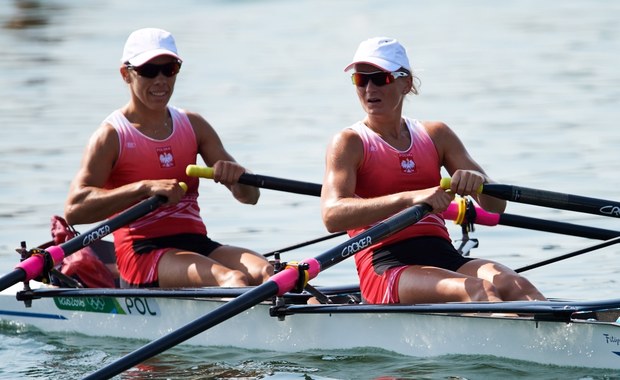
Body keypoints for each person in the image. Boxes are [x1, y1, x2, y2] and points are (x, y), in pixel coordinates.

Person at [320, 37, 546, 304]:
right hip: (386, 266)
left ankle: (572, 331)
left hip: (443, 254)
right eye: (361, 79)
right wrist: (410, 198)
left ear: (406, 83)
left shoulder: (436, 135)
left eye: (380, 78)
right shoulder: (350, 142)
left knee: (515, 284)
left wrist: (479, 182)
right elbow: (331, 216)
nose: (369, 88)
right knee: (478, 290)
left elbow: (496, 206)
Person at [64, 28, 273, 288]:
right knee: (232, 279)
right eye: (149, 70)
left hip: (196, 244)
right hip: (142, 253)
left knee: (269, 273)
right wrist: (144, 188)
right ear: (125, 74)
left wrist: (238, 178)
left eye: (170, 69)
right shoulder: (111, 136)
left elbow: (250, 197)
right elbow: (74, 210)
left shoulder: (194, 125)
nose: (161, 79)